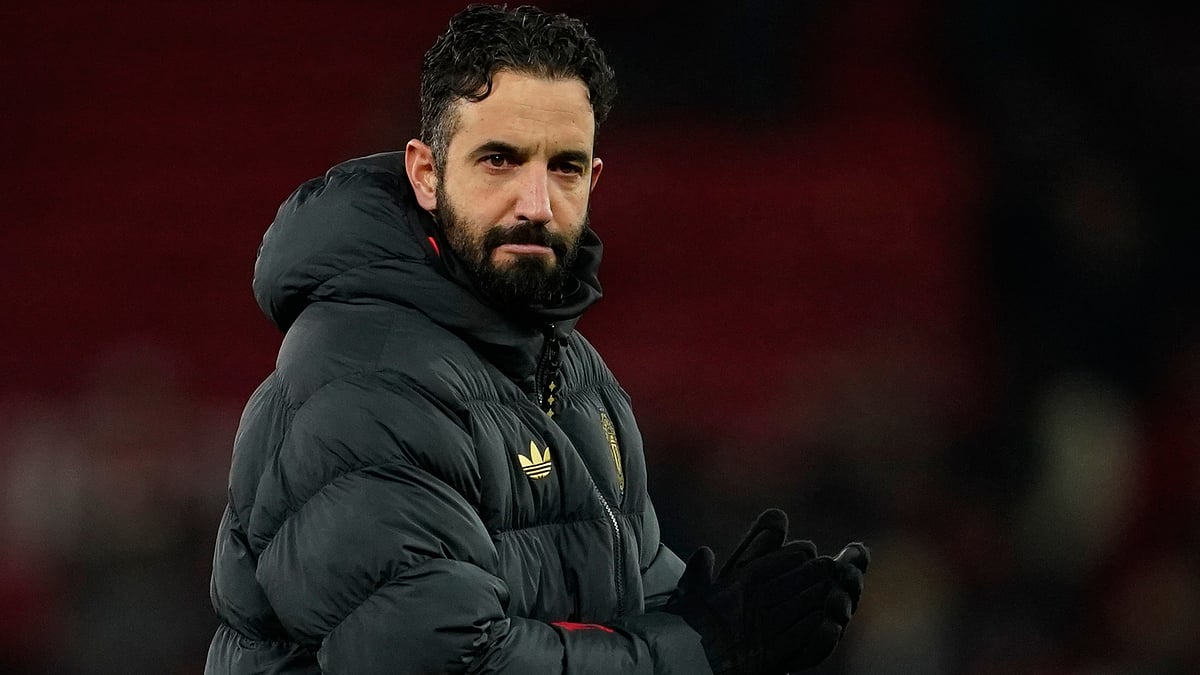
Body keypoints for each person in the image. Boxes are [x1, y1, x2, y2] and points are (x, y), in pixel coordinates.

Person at [204, 5, 869, 674]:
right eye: (500, 159)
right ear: (426, 174)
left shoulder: (572, 370)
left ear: (594, 180)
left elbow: (622, 608)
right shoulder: (364, 379)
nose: (536, 203)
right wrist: (705, 648)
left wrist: (715, 611)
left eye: (565, 167)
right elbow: (444, 660)